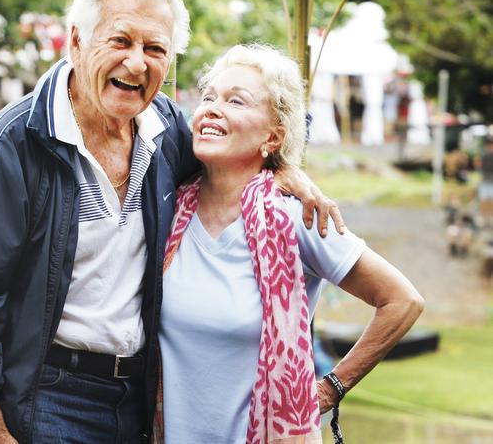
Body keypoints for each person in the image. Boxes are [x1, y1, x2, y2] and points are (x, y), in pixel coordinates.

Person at [0, 0, 342, 444]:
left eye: (155, 49)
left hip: (139, 401)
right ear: (78, 41)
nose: (136, 63)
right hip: (45, 395)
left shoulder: (167, 132)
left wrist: (280, 168)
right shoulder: (17, 140)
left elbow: (237, 147)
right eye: (120, 41)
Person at [155, 44, 425, 443]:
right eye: (208, 96)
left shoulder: (296, 218)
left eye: (236, 100)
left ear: (273, 135)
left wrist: (330, 387)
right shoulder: (168, 208)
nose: (212, 108)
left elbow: (402, 301)